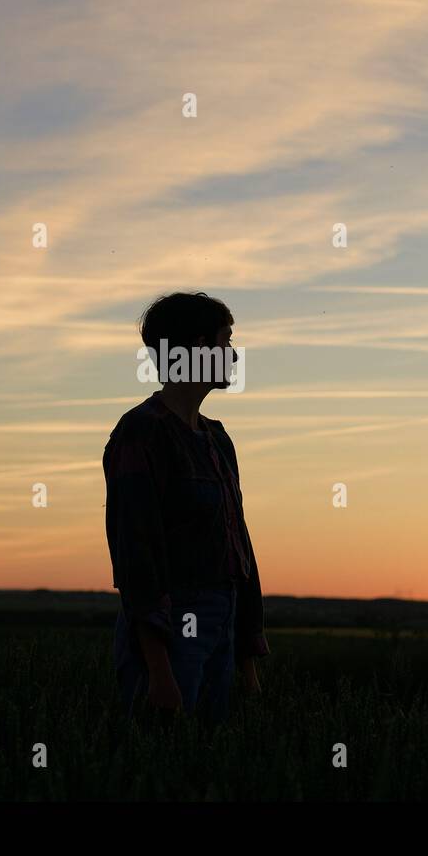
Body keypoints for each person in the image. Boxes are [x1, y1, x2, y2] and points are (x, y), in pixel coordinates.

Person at [104, 292, 269, 725]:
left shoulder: (217, 439)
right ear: (197, 349)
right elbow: (136, 556)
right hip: (172, 633)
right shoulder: (141, 433)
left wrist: (246, 663)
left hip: (222, 629)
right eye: (225, 342)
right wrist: (159, 672)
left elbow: (240, 551)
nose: (233, 355)